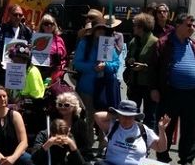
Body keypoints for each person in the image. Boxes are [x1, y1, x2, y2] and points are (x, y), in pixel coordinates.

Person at [150, 13, 195, 165]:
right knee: (166, 126)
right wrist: (154, 88)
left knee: (190, 128)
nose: (192, 28)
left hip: (191, 94)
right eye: (189, 25)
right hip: (170, 92)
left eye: (193, 25)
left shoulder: (192, 44)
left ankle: (186, 160)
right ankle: (163, 158)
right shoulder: (163, 43)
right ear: (178, 25)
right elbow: (154, 68)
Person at [94, 100, 170, 165]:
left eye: (130, 117)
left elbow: (161, 148)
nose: (126, 120)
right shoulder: (112, 126)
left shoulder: (143, 129)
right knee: (99, 164)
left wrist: (162, 130)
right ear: (119, 115)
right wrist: (117, 115)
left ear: (134, 117)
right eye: (123, 116)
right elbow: (97, 116)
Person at [73, 21, 120, 150]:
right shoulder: (85, 44)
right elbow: (77, 63)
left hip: (104, 88)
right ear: (93, 31)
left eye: (103, 29)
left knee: (104, 117)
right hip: (87, 86)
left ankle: (103, 144)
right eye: (98, 29)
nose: (101, 31)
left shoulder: (109, 43)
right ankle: (87, 145)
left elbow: (116, 64)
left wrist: (106, 66)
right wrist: (93, 68)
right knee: (88, 117)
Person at [31, 93, 93, 165]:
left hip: (70, 161)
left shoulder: (80, 124)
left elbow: (86, 150)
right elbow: (35, 157)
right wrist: (49, 142)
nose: (63, 107)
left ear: (73, 107)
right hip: (51, 160)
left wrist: (72, 146)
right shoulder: (50, 123)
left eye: (66, 105)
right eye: (60, 105)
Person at [124, 13, 158, 130]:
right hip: (134, 83)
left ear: (141, 27)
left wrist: (145, 67)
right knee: (133, 112)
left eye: (135, 25)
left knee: (149, 115)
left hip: (148, 84)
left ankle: (148, 143)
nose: (133, 27)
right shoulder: (134, 41)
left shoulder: (155, 42)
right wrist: (130, 60)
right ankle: (133, 137)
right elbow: (127, 58)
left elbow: (158, 65)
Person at [0, 4, 33, 86]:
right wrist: (2, 62)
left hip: (19, 71)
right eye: (15, 14)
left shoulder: (27, 31)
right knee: (2, 95)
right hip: (2, 72)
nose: (18, 17)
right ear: (9, 15)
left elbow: (31, 49)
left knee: (16, 97)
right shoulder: (1, 29)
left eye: (20, 15)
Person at [36, 13, 67, 82]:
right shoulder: (37, 39)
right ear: (42, 26)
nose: (49, 26)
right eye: (46, 23)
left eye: (51, 24)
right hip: (40, 72)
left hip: (55, 74)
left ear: (54, 25)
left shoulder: (59, 40)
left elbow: (64, 57)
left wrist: (61, 67)